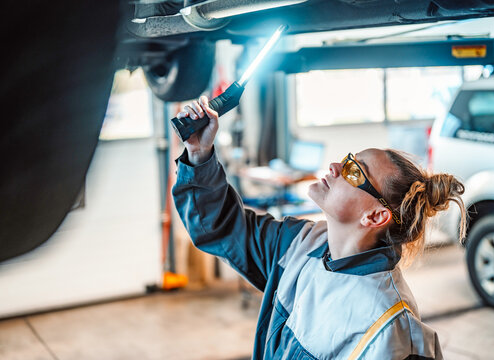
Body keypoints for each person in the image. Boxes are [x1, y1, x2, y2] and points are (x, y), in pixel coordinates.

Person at [172, 96, 467, 360]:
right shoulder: (300, 243)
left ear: (375, 217)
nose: (335, 167)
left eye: (354, 172)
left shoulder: (391, 330)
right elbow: (221, 228)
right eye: (348, 159)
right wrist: (199, 153)